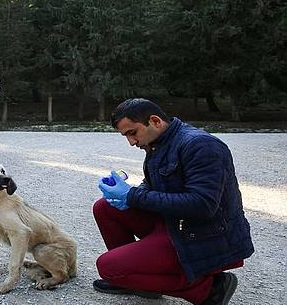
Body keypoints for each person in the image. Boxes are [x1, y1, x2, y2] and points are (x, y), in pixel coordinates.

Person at [93, 98, 254, 304]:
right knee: (104, 207)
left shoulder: (202, 145)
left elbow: (203, 205)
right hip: (175, 223)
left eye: (132, 133)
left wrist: (133, 196)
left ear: (155, 121)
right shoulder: (158, 143)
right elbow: (153, 184)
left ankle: (209, 289)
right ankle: (141, 281)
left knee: (109, 268)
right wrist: (126, 195)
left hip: (203, 235)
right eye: (126, 136)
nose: (131, 142)